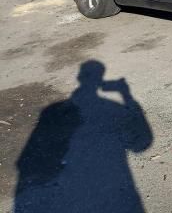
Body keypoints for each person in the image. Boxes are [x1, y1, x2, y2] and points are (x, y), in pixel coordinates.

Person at [14, 60, 153, 213]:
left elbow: (26, 160)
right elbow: (141, 144)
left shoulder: (52, 111)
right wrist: (126, 94)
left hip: (68, 195)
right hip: (112, 191)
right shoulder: (113, 108)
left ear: (79, 77)